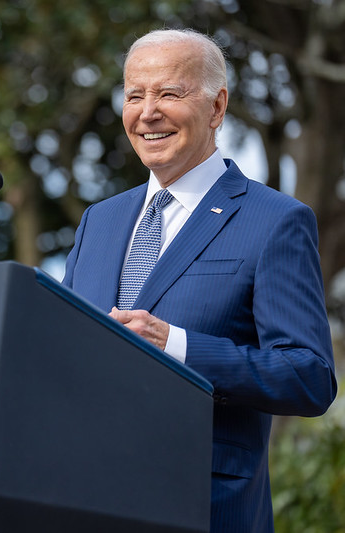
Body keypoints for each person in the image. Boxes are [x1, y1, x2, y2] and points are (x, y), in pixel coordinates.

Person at [62, 29, 337, 532]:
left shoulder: (274, 220)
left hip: (203, 507)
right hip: (86, 499)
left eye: (169, 93)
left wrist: (177, 346)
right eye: (135, 95)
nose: (147, 112)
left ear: (216, 107)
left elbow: (309, 377)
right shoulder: (97, 223)